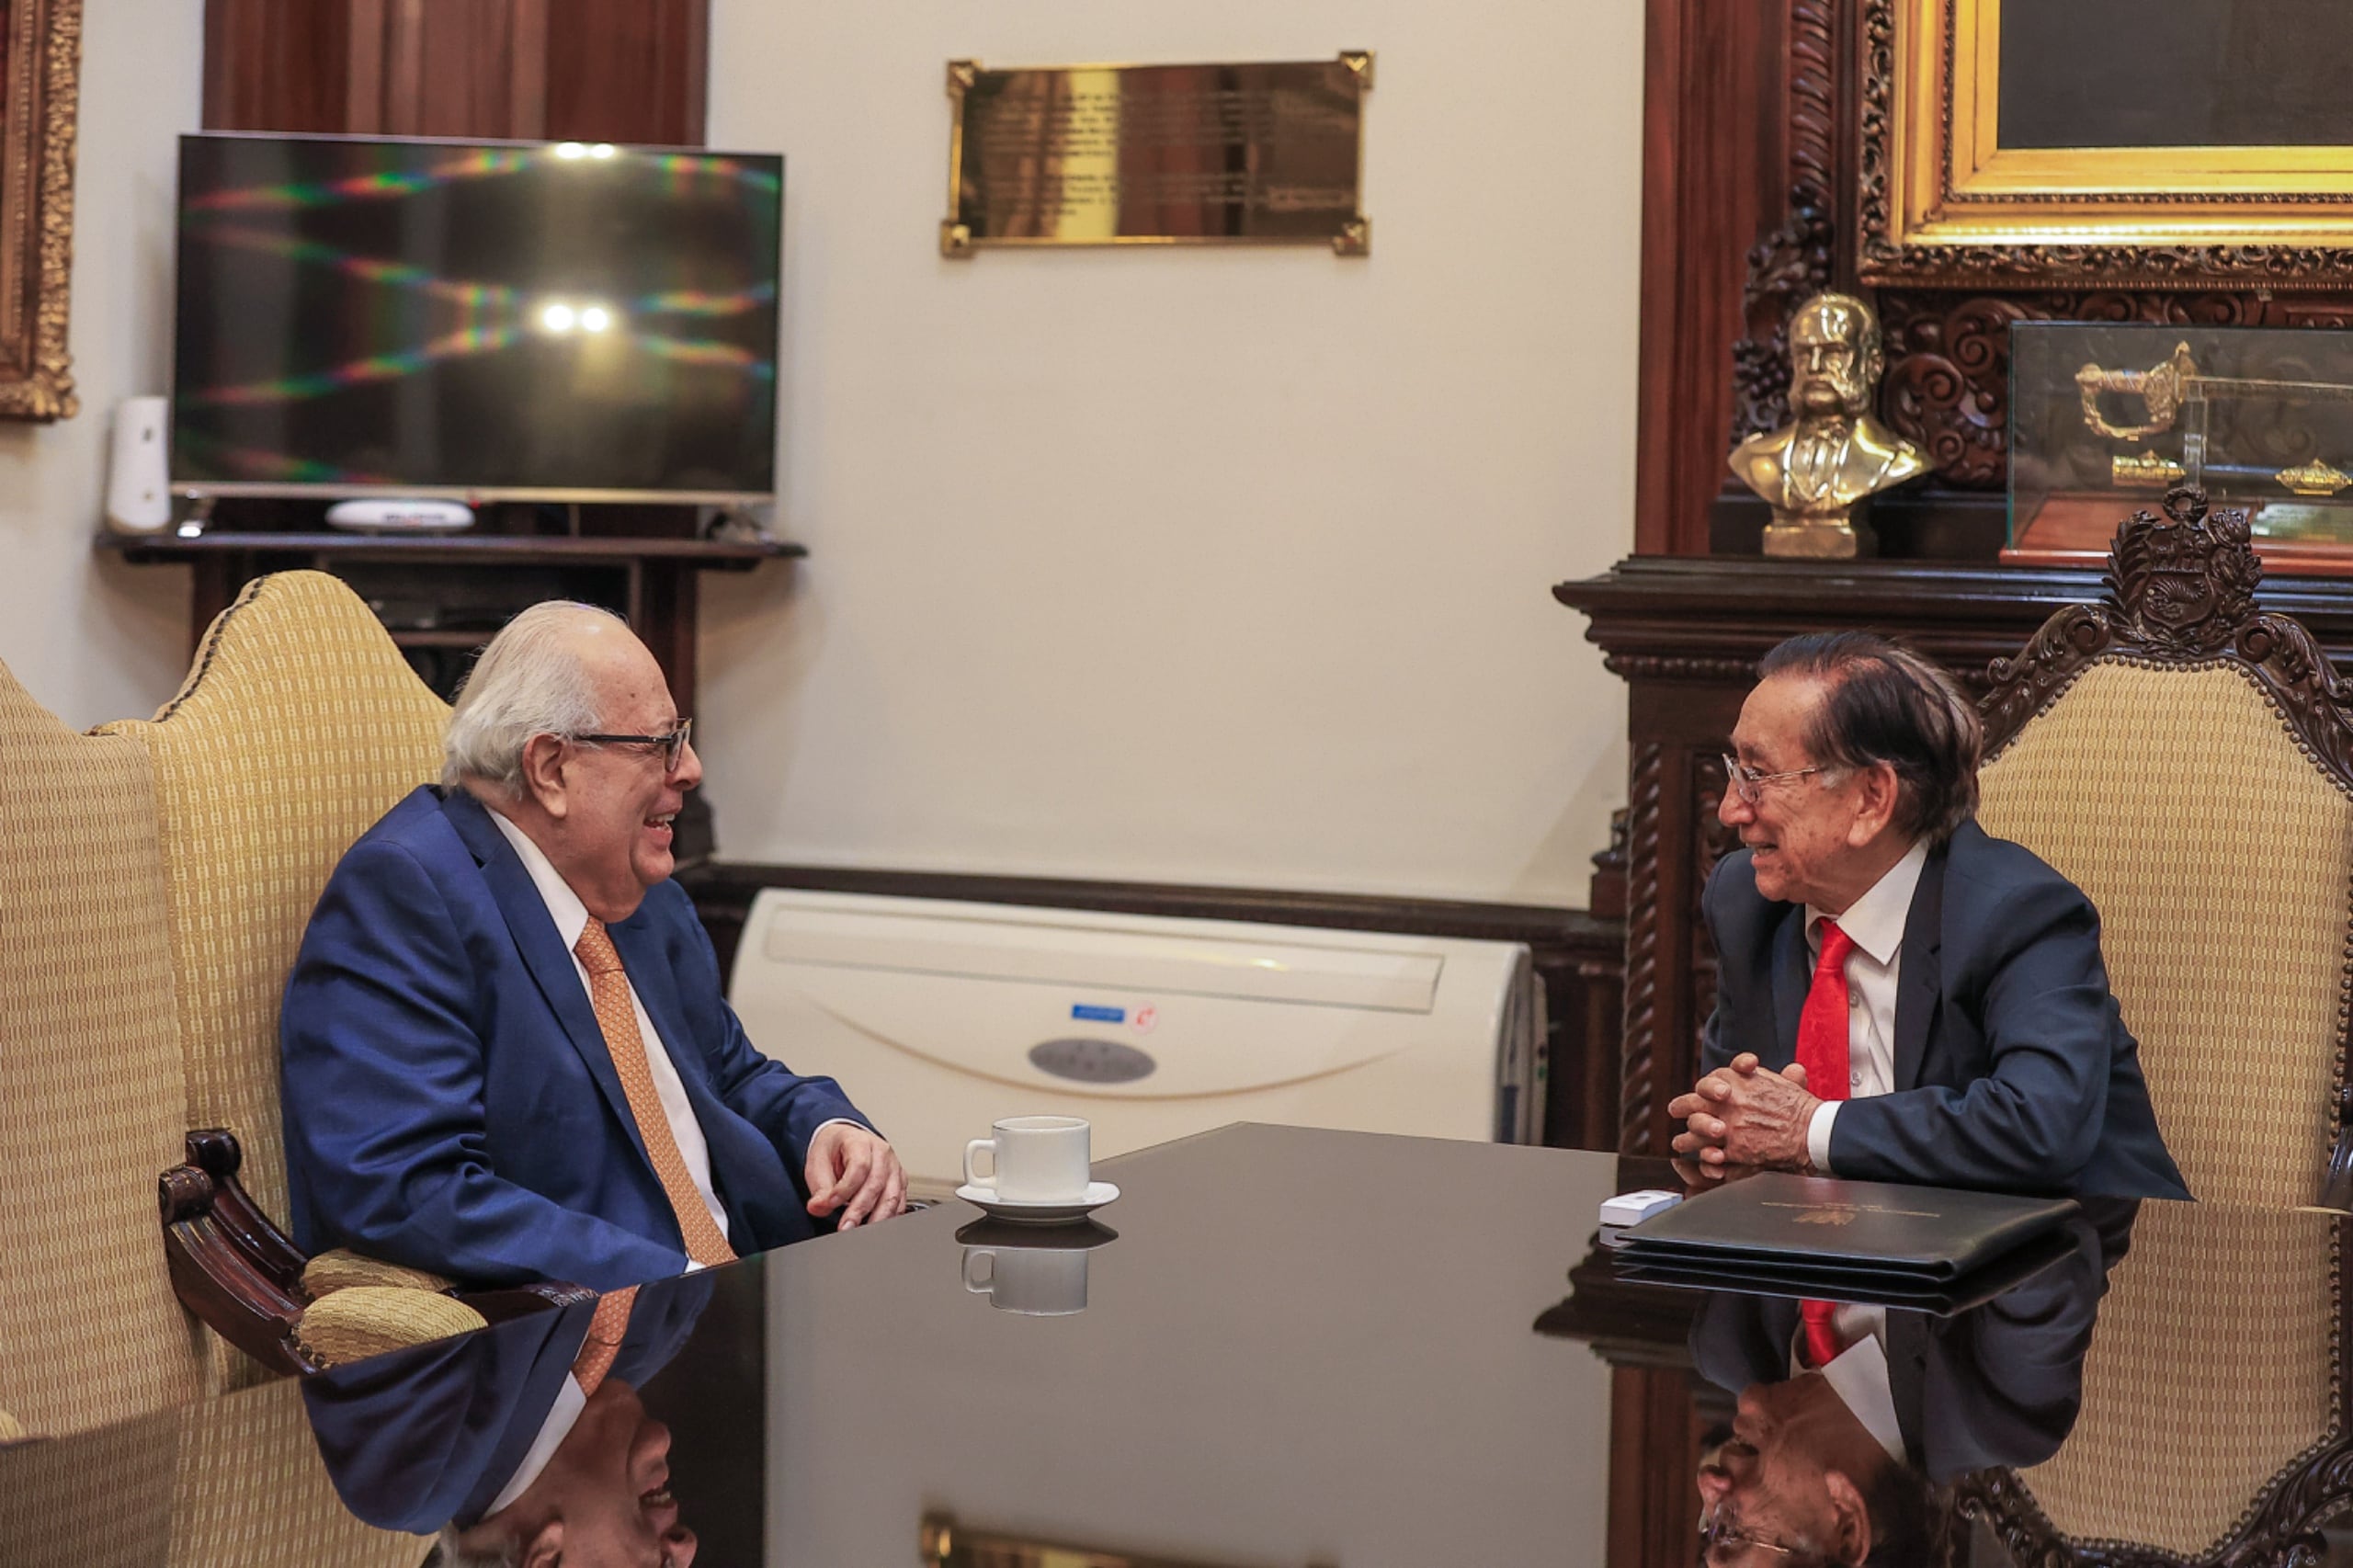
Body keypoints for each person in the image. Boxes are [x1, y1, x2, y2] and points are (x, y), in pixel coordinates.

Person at [283, 602, 907, 1293]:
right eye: (661, 744)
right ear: (551, 767)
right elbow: (407, 1187)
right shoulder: (407, 893)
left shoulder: (637, 884)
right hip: (595, 1341)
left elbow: (727, 1074)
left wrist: (826, 1129)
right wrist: (678, 1279)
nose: (692, 768)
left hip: (763, 1286)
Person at [1669, 631, 2188, 1199]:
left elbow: (2039, 1126)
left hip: (2078, 1262)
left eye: (1758, 776)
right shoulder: (1746, 901)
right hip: (1837, 1252)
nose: (1730, 809)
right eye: (1734, 768)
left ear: (1871, 799)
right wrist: (1722, 1133)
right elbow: (1740, 1113)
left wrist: (1810, 1130)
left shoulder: (2019, 914)